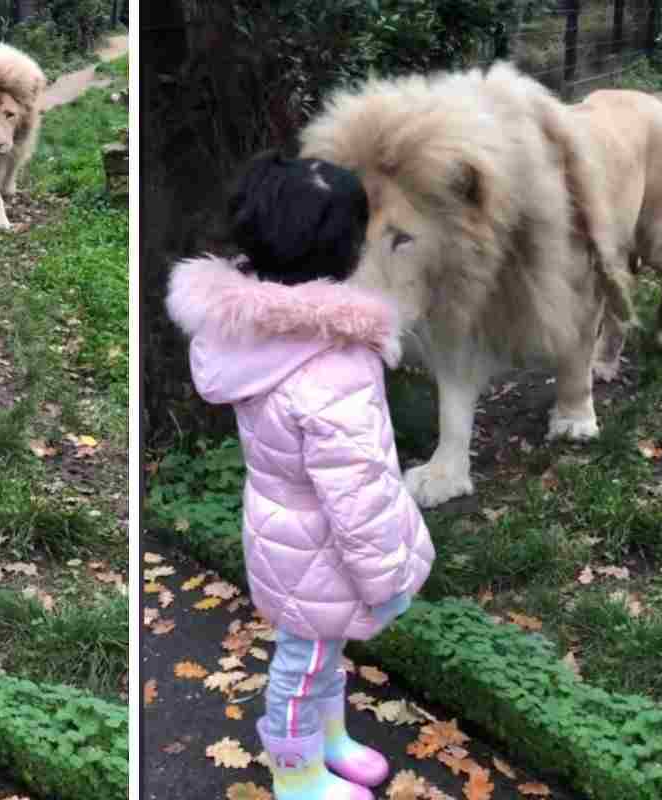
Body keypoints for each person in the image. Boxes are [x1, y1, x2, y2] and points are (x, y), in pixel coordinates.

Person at [166, 154, 436, 800]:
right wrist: (384, 578)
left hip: (284, 526)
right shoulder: (331, 364)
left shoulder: (251, 332)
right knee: (305, 659)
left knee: (322, 650)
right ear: (343, 250)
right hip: (327, 543)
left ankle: (329, 739)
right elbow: (359, 489)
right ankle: (297, 776)